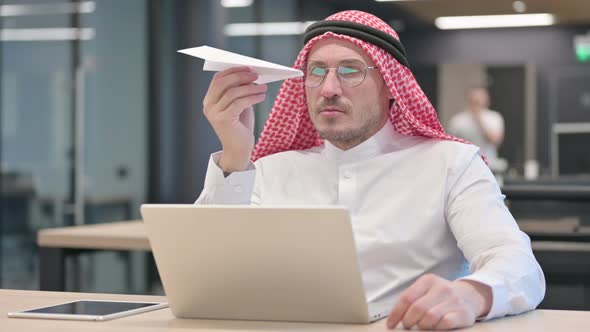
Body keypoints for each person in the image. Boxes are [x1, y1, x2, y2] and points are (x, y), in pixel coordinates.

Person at [195, 10, 544, 331]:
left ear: (391, 87)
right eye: (317, 72)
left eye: (350, 70)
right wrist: (237, 154)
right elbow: (207, 270)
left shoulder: (450, 163)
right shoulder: (269, 169)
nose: (329, 89)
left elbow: (516, 263)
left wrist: (472, 294)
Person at [448, 88, 506, 171]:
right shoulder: (458, 120)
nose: (477, 102)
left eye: (480, 99)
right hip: (465, 166)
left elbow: (495, 140)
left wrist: (479, 120)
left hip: (489, 166)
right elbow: (452, 145)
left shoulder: (494, 117)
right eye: (475, 100)